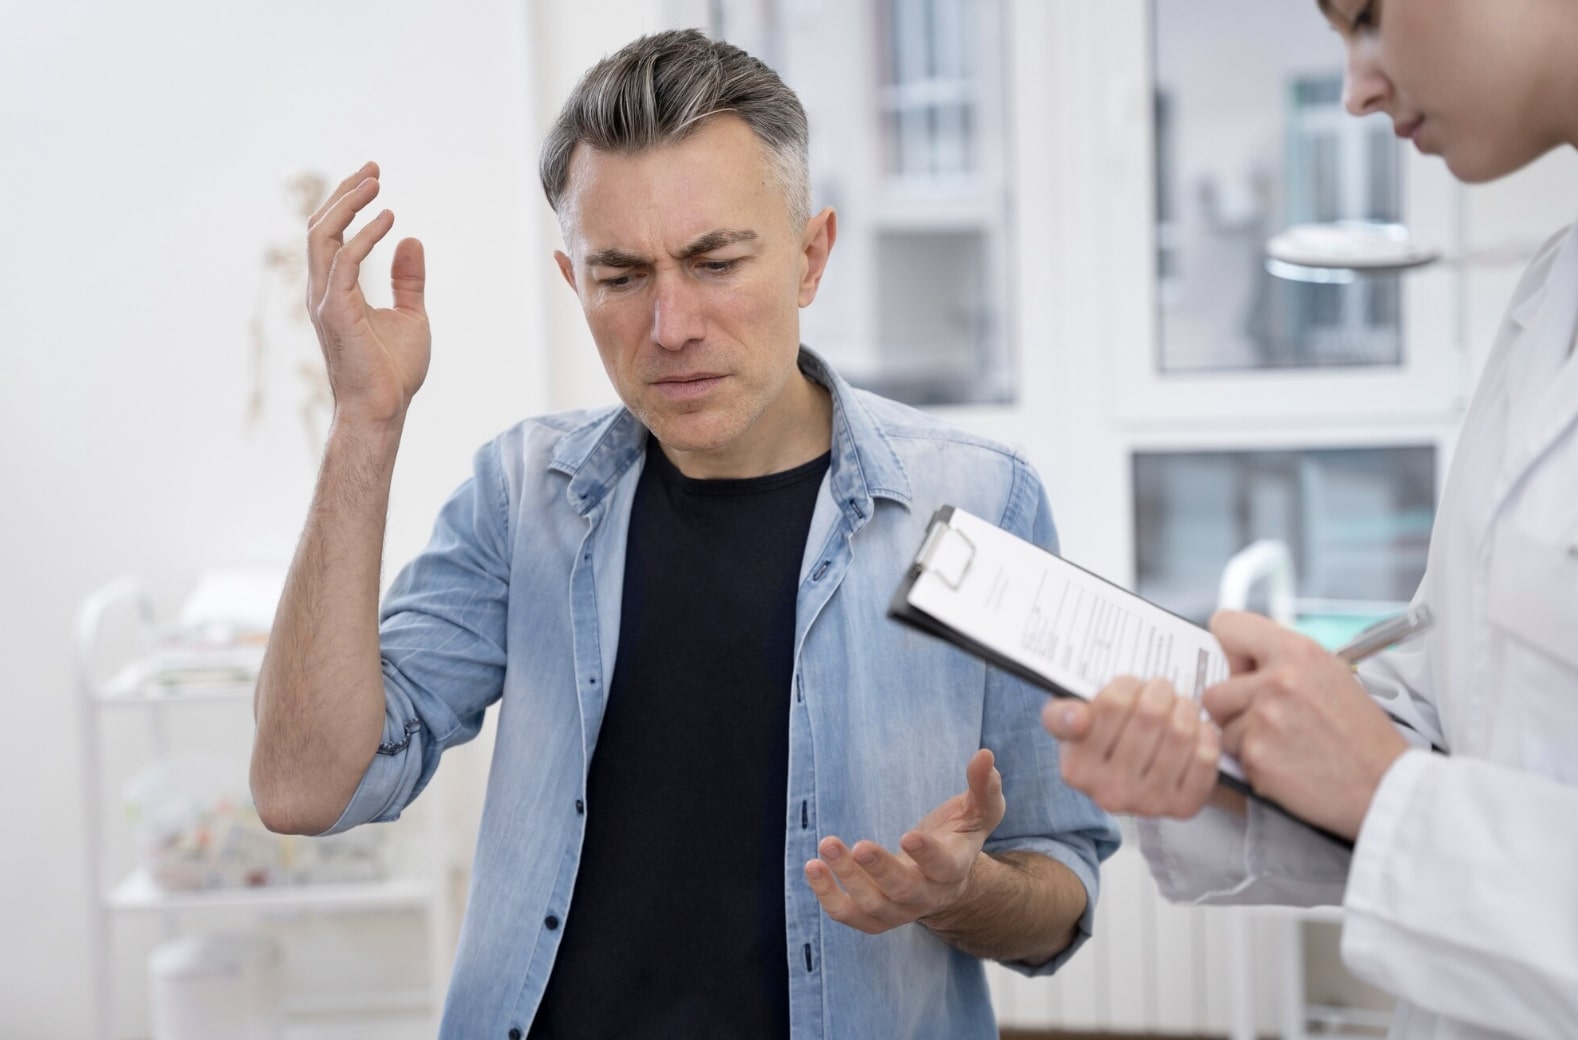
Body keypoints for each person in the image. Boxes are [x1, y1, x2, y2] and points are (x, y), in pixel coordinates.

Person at [250, 28, 1117, 1040]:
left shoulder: (977, 504)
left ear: (810, 254)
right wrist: (365, 419)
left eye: (714, 262)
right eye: (621, 276)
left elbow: (1058, 886)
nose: (671, 325)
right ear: (576, 283)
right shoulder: (521, 496)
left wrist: (961, 892)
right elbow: (304, 785)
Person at [1043, 2, 1578, 1038]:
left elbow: (1409, 793)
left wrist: (1388, 797)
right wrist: (1230, 754)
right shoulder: (1553, 295)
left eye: (1368, 15)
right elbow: (1455, 716)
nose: (1355, 88)